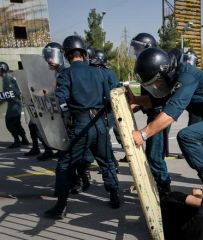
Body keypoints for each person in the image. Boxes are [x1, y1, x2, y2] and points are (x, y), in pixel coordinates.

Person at [128, 47, 203, 216]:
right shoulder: (175, 77)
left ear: (164, 72)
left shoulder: (186, 76)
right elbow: (157, 99)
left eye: (156, 82)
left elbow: (171, 112)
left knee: (187, 136)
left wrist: (143, 134)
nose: (156, 86)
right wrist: (136, 100)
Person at [44, 36, 120, 219]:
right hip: (100, 124)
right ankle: (115, 196)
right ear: (84, 54)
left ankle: (61, 206)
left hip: (80, 124)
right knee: (107, 161)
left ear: (66, 55)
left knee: (64, 166)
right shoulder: (99, 72)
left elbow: (60, 98)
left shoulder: (66, 74)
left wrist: (60, 107)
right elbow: (109, 98)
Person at [129, 33, 172, 195]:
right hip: (153, 113)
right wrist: (135, 105)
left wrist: (139, 103)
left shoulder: (156, 66)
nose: (134, 52)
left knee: (154, 157)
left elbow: (159, 99)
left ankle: (164, 190)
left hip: (159, 116)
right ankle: (152, 183)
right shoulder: (146, 66)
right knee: (151, 155)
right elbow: (148, 98)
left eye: (137, 48)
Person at [0, 61, 29, 148]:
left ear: (2, 69)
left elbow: (15, 92)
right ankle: (24, 139)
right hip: (14, 104)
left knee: (10, 123)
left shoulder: (8, 79)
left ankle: (17, 140)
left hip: (15, 105)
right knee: (17, 124)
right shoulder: (7, 78)